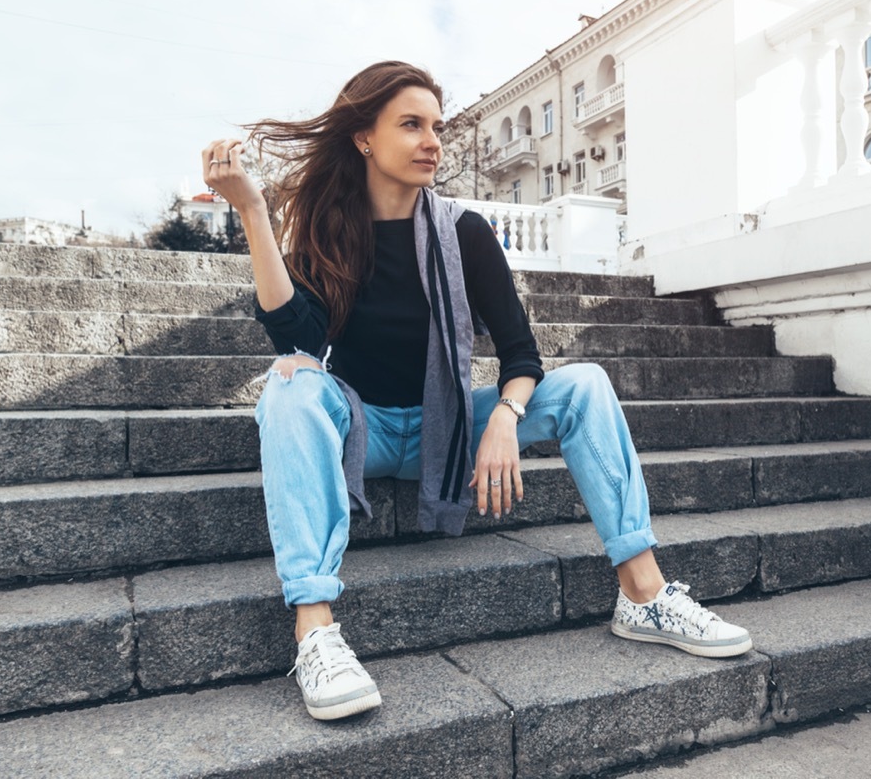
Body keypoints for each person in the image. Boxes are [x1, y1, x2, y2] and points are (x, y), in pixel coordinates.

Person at [202, 61, 752, 722]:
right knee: (289, 384)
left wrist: (503, 417)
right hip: (365, 428)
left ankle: (643, 593)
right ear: (364, 138)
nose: (433, 140)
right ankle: (315, 630)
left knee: (586, 384)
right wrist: (254, 212)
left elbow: (522, 354)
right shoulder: (328, 228)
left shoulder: (465, 232)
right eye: (411, 125)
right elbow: (297, 334)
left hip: (454, 426)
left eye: (437, 126)